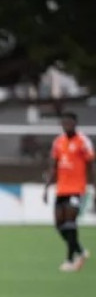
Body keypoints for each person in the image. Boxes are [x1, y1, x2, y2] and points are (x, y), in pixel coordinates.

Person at [42, 111, 95, 271]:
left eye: (70, 122)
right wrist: (46, 187)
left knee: (70, 223)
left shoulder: (83, 141)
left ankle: (70, 260)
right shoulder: (58, 142)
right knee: (60, 225)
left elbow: (91, 166)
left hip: (77, 189)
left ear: (75, 123)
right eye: (64, 122)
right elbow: (54, 166)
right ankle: (81, 251)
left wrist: (93, 187)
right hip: (61, 189)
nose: (66, 125)